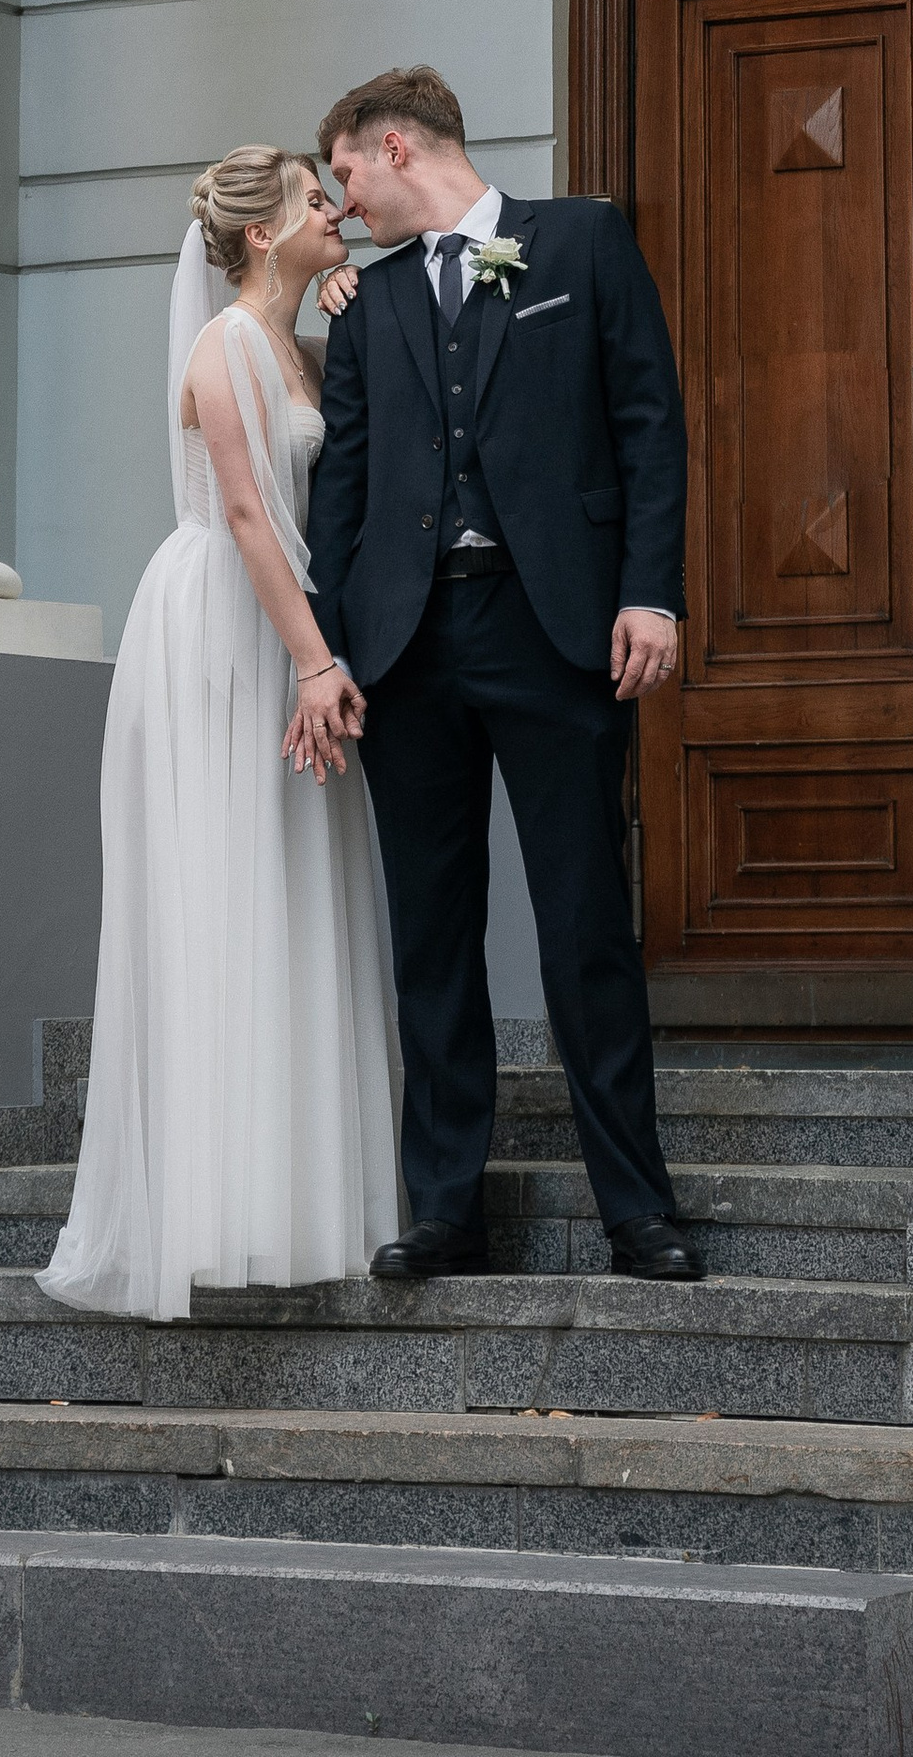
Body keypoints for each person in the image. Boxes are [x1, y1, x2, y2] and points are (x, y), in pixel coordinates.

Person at [295, 66, 703, 1283]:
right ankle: (443, 1209)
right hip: (407, 649)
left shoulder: (575, 239)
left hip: (556, 631)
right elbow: (343, 492)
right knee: (431, 933)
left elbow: (648, 423)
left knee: (585, 925)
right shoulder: (361, 307)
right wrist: (327, 649)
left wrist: (651, 589)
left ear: (398, 144)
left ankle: (638, 1209)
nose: (343, 199)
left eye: (348, 174)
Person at [40, 147, 401, 1318]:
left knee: (287, 884)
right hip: (230, 633)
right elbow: (248, 510)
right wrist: (311, 659)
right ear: (262, 234)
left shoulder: (293, 346)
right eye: (315, 200)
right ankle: (220, 1207)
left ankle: (290, 1197)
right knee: (228, 886)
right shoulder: (227, 347)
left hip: (285, 627)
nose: (336, 210)